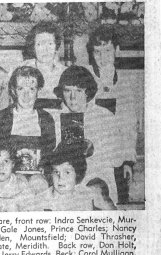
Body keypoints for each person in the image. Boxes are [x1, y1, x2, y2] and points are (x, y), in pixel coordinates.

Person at [52, 65, 127, 204]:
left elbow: (118, 159)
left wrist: (95, 149)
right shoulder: (55, 119)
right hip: (65, 178)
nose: (73, 97)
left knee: (92, 191)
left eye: (78, 91)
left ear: (88, 92)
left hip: (97, 177)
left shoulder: (104, 116)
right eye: (68, 91)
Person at [86, 26, 137, 203]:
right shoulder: (86, 79)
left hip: (116, 158)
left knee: (118, 201)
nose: (102, 57)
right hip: (92, 158)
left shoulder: (126, 85)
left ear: (117, 50)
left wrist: (128, 162)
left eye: (107, 50)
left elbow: (129, 127)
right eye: (97, 52)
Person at [0, 66, 56, 171]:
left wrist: (42, 166)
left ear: (38, 91)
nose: (26, 95)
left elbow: (49, 154)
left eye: (32, 89)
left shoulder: (46, 119)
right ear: (13, 91)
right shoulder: (1, 118)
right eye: (21, 89)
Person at [21, 142, 116, 211]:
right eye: (56, 172)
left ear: (77, 174)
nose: (60, 178)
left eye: (67, 172)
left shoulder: (88, 194)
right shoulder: (40, 201)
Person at [16, 21, 66, 109]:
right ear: (33, 47)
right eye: (40, 44)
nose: (45, 49)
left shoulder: (66, 73)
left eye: (50, 44)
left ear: (56, 46)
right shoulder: (21, 70)